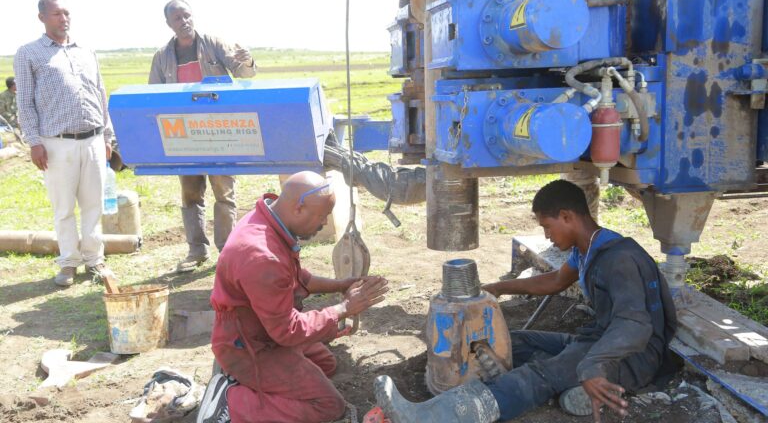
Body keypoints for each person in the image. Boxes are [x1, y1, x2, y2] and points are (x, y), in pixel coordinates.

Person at [375, 179, 677, 423]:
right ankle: (559, 382)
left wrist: (592, 365)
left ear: (567, 217)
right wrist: (499, 287)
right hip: (599, 341)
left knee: (538, 375)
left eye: (547, 226)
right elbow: (556, 281)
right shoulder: (588, 250)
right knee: (512, 342)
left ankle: (434, 416)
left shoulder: (619, 258)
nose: (546, 236)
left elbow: (636, 325)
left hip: (631, 357)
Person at [196, 171, 389, 423]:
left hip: (265, 329)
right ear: (299, 208)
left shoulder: (269, 221)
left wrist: (344, 284)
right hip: (249, 345)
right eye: (321, 217)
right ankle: (230, 402)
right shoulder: (262, 256)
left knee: (326, 364)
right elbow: (287, 331)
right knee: (328, 405)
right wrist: (344, 308)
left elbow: (298, 278)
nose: (323, 224)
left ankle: (255, 383)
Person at [14, 0, 116, 287]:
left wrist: (107, 135)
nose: (64, 18)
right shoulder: (29, 53)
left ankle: (94, 260)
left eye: (67, 13)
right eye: (57, 14)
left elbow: (100, 93)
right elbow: (25, 102)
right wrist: (34, 141)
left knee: (93, 204)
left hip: (93, 139)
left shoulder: (86, 50)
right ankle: (69, 262)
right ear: (42, 18)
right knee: (63, 208)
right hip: (56, 143)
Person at [149, 0, 257, 273]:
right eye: (177, 18)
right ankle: (196, 250)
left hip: (218, 129)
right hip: (182, 134)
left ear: (192, 16)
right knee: (190, 193)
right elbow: (153, 95)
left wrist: (248, 62)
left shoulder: (213, 44)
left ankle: (227, 251)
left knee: (224, 191)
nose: (183, 21)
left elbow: (243, 73)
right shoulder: (162, 56)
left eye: (186, 15)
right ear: (168, 24)